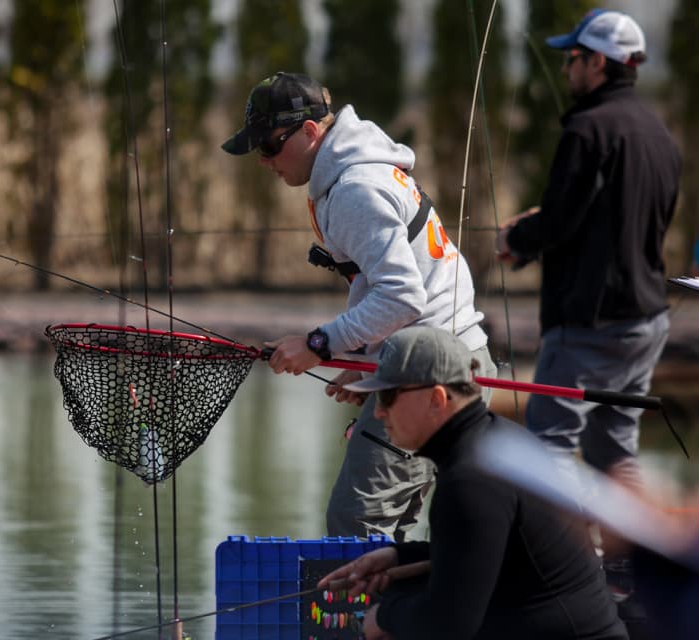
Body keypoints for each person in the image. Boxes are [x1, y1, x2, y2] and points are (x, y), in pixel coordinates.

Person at [221, 72, 495, 541]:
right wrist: (372, 362)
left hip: (431, 373)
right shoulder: (358, 172)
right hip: (438, 361)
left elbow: (403, 296)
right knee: (388, 536)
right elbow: (395, 289)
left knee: (356, 525)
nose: (264, 161)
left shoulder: (354, 189)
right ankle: (396, 616)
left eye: (268, 145)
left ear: (309, 133)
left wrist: (318, 344)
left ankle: (363, 619)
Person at [317, 326, 628, 640]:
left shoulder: (471, 480)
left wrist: (384, 617)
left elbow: (449, 625)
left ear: (436, 399)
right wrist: (400, 556)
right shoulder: (494, 442)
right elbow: (481, 550)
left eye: (387, 396)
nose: (379, 412)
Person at [497, 9, 678, 494]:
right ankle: (634, 563)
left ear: (597, 62)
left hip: (589, 325)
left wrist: (515, 240)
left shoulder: (587, 131)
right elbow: (611, 217)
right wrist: (540, 228)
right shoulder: (659, 135)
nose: (565, 68)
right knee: (614, 452)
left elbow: (559, 219)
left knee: (546, 447)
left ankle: (563, 566)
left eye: (572, 57)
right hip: (645, 320)